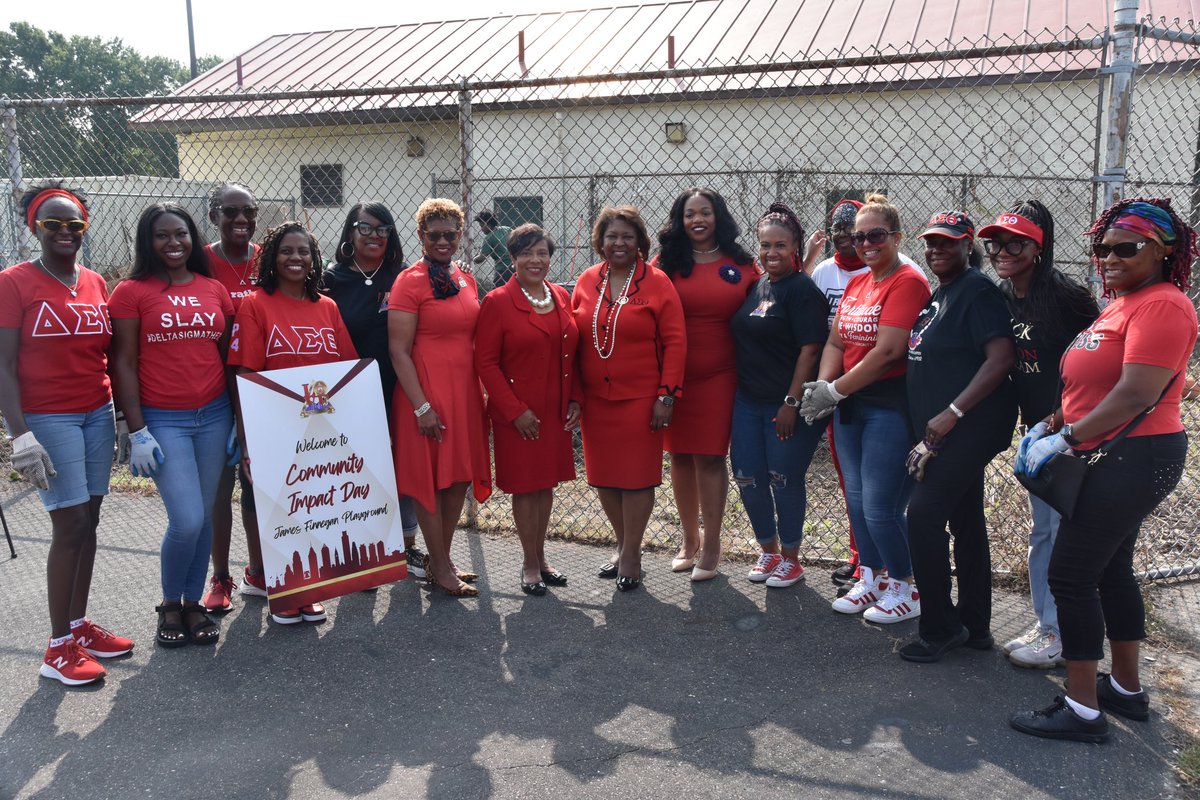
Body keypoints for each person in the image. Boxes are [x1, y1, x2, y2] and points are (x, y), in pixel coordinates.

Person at [1010, 198, 1198, 742]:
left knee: (1071, 575)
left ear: (1162, 252)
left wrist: (1067, 438)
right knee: (1111, 567)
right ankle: (1126, 691)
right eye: (1102, 248)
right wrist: (1053, 423)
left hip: (1134, 454)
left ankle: (1083, 710)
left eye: (1125, 247)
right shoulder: (1122, 303)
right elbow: (1089, 381)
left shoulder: (1163, 305)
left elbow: (1137, 391)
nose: (1109, 257)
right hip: (1109, 450)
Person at [0, 185, 134, 685]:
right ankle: (57, 648)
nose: (63, 233)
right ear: (34, 227)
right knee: (70, 523)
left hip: (95, 411)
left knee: (90, 518)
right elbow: (4, 365)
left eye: (73, 224)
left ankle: (77, 626)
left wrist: (120, 416)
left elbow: (107, 357)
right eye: (52, 224)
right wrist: (20, 435)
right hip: (48, 417)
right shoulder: (14, 283)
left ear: (84, 227)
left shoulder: (97, 282)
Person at [800, 193, 930, 622]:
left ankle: (906, 587)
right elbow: (837, 340)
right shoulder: (858, 282)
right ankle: (871, 579)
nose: (866, 243)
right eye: (859, 237)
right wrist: (823, 385)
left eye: (876, 234)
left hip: (887, 406)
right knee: (856, 502)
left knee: (880, 505)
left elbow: (890, 350)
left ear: (896, 235)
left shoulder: (907, 280)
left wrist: (833, 391)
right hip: (850, 403)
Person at [980, 200, 1098, 668]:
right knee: (1043, 533)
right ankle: (1048, 623)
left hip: (1073, 432)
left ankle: (1062, 633)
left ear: (1038, 247)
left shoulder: (1067, 298)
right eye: (995, 243)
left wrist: (1061, 424)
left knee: (1062, 532)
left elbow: (1096, 370)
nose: (1002, 251)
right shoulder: (1002, 296)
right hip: (1036, 430)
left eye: (1016, 243)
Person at [110, 203, 234, 648]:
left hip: (215, 415)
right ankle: (169, 603)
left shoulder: (213, 289)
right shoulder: (130, 291)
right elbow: (121, 362)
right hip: (164, 419)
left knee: (201, 520)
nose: (173, 243)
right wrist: (136, 428)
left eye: (181, 234)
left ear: (193, 237)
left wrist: (238, 416)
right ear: (149, 241)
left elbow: (227, 357)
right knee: (187, 519)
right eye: (162, 235)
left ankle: (193, 603)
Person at [896, 211, 1017, 662]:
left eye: (948, 243)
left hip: (971, 425)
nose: (936, 250)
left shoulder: (976, 291)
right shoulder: (940, 294)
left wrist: (952, 411)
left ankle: (939, 627)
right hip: (941, 430)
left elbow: (1000, 358)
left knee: (922, 516)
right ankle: (975, 625)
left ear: (970, 247)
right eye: (931, 243)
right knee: (965, 520)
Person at [228, 221, 358, 624]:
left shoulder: (327, 307)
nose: (296, 258)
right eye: (287, 251)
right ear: (271, 257)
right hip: (271, 424)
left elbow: (344, 371)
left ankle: (307, 587)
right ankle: (284, 593)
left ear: (315, 259)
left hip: (317, 428)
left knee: (312, 504)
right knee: (277, 507)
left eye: (304, 251)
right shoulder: (254, 305)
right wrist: (248, 441)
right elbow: (245, 375)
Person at [571, 205, 686, 591]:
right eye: (611, 236)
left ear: (639, 242)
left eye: (627, 236)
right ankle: (622, 545)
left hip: (641, 399)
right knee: (604, 478)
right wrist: (574, 394)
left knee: (636, 479)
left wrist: (666, 396)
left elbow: (675, 342)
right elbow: (574, 341)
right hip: (596, 400)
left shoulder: (657, 282)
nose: (618, 243)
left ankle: (632, 552)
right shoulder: (587, 280)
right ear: (600, 241)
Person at [388, 198, 492, 598]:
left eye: (452, 233)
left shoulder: (464, 278)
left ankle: (440, 560)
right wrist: (422, 406)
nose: (444, 240)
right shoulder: (409, 281)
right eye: (435, 235)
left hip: (463, 392)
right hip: (425, 394)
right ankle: (442, 567)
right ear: (421, 236)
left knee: (457, 478)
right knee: (430, 481)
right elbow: (399, 350)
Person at [653, 188, 757, 581]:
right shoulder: (666, 263)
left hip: (721, 374)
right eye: (689, 214)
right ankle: (689, 540)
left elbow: (765, 302)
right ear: (680, 220)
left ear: (719, 217)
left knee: (711, 457)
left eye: (706, 213)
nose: (697, 220)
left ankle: (713, 544)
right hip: (673, 376)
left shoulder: (741, 262)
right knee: (679, 457)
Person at [322, 202, 428, 579]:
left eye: (383, 230)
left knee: (402, 469)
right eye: (365, 228)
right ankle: (362, 553)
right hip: (347, 394)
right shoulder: (330, 280)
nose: (374, 237)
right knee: (356, 473)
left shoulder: (403, 277)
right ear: (350, 232)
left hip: (398, 386)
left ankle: (407, 547)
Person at [475, 224, 581, 595]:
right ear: (512, 258)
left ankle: (541, 556)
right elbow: (486, 363)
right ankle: (529, 562)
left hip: (553, 409)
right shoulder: (498, 302)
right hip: (517, 414)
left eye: (542, 253)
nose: (535, 261)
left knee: (545, 483)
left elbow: (571, 354)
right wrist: (514, 410)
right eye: (526, 253)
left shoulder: (559, 296)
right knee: (526, 486)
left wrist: (575, 399)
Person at [730, 203, 830, 588]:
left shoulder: (803, 290)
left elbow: (810, 350)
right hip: (747, 401)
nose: (771, 253)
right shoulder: (760, 284)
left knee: (783, 478)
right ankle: (768, 551)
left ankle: (791, 557)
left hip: (785, 404)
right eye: (765, 245)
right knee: (747, 476)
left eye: (779, 246)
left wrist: (791, 403)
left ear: (795, 248)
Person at [200, 182, 261, 614]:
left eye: (248, 211)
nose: (240, 219)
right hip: (217, 391)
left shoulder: (267, 258)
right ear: (213, 215)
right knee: (221, 488)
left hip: (264, 391)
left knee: (261, 487)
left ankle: (260, 570)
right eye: (230, 211)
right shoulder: (199, 260)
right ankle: (219, 576)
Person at [474, 210, 514, 291]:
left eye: (482, 226)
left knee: (497, 292)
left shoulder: (488, 238)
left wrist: (471, 259)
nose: (481, 229)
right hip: (515, 266)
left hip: (502, 270)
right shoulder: (507, 229)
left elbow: (481, 258)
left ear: (488, 224)